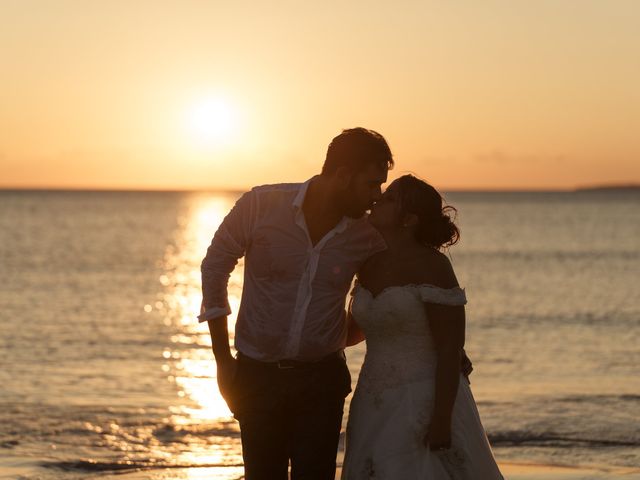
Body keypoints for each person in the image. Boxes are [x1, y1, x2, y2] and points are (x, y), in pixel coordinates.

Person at [199, 128, 392, 480]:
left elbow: (393, 292)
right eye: (371, 184)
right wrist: (223, 361)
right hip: (257, 377)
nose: (376, 196)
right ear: (342, 175)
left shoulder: (367, 235)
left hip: (322, 380)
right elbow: (214, 266)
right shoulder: (260, 205)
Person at [341, 174, 503, 479]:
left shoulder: (433, 266)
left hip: (423, 399)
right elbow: (354, 333)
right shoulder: (367, 262)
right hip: (371, 401)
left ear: (409, 219)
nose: (377, 200)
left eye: (389, 199)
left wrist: (441, 420)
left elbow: (448, 349)